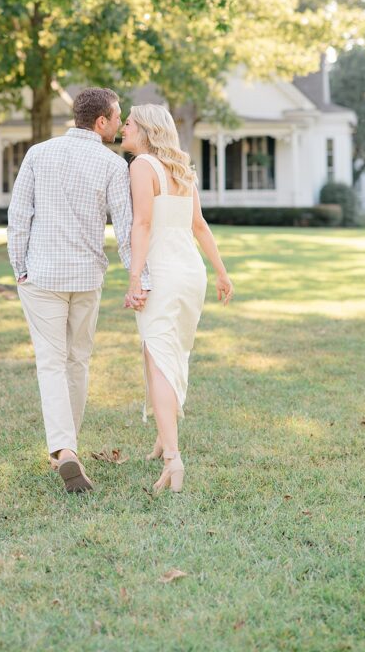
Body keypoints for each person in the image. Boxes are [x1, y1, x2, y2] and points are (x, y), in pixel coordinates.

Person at [7, 87, 148, 494]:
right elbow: (125, 231)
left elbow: (19, 217)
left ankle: (64, 449)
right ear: (101, 122)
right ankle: (69, 447)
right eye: (118, 117)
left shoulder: (38, 154)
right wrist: (139, 277)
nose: (122, 124)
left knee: (51, 362)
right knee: (78, 361)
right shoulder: (112, 165)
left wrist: (20, 266)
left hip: (42, 276)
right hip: (86, 277)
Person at [121, 104, 233, 493]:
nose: (123, 127)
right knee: (170, 355)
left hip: (164, 276)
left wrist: (135, 277)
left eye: (130, 123)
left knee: (160, 361)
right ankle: (162, 438)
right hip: (191, 274)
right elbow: (199, 226)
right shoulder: (183, 170)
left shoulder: (141, 167)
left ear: (146, 130)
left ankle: (173, 458)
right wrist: (221, 271)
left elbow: (143, 223)